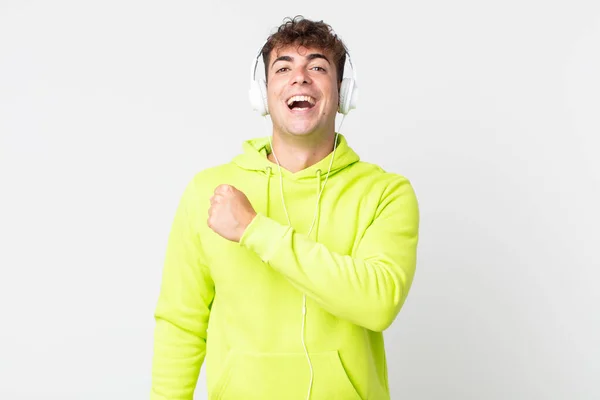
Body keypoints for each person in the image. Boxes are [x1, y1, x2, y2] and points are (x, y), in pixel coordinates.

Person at [151, 15, 420, 400]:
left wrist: (254, 229)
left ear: (342, 93)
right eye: (283, 67)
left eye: (317, 66)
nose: (300, 78)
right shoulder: (208, 191)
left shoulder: (385, 193)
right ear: (262, 94)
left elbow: (377, 303)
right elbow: (180, 323)